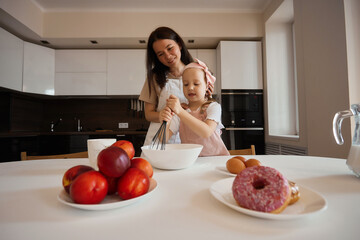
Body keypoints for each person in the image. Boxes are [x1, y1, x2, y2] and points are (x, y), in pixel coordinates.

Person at [161, 59, 230, 156]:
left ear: (207, 86)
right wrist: (165, 121)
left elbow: (206, 132)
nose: (190, 88)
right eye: (186, 84)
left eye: (196, 84)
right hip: (191, 161)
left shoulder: (213, 107)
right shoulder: (181, 110)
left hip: (215, 159)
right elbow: (163, 139)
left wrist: (180, 111)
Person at [139, 26, 193, 146]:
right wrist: (161, 114)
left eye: (170, 48)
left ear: (179, 44)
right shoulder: (154, 77)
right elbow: (148, 114)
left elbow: (203, 109)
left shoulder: (197, 72)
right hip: (159, 137)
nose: (168, 56)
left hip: (187, 137)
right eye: (160, 54)